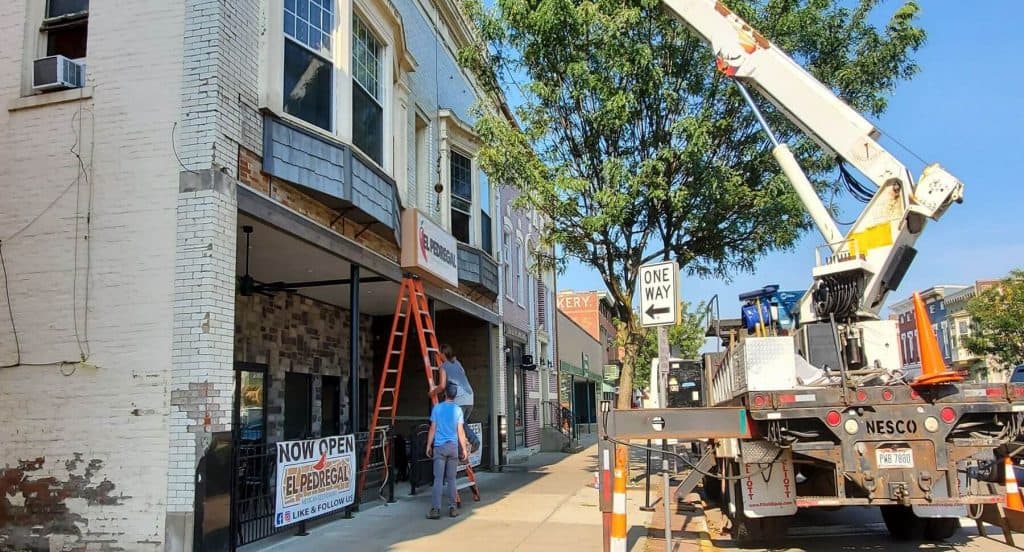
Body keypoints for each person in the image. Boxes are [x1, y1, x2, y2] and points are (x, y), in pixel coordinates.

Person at [426, 382, 468, 519]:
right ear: (455, 396)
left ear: (445, 394)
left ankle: (435, 510)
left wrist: (428, 445)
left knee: (438, 479)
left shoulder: (437, 408)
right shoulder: (458, 410)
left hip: (439, 447)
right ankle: (452, 508)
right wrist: (464, 449)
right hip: (453, 447)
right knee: (451, 479)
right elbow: (460, 431)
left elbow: (432, 428)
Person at [431, 344, 480, 452]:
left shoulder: (444, 367)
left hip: (459, 400)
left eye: (439, 352)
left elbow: (442, 385)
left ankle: (460, 451)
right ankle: (473, 441)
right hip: (469, 398)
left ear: (443, 354)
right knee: (461, 424)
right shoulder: (457, 363)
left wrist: (432, 393)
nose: (437, 355)